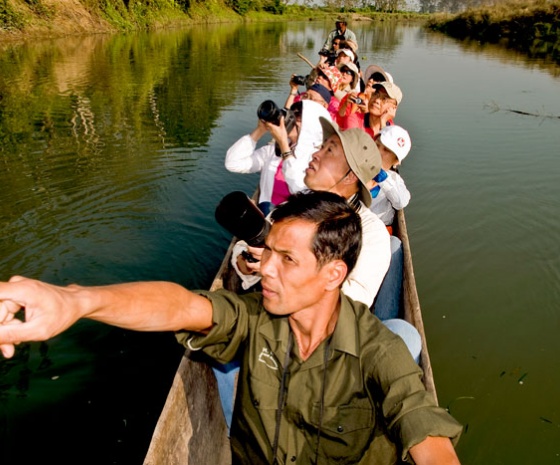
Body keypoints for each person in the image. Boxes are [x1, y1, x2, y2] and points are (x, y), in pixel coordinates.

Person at [0, 191, 463, 464]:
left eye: (287, 260)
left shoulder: (379, 352)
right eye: (268, 253)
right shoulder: (257, 318)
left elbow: (429, 439)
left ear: (333, 275)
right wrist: (75, 300)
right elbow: (182, 306)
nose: (265, 270)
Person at [225, 99, 331, 214]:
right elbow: (233, 163)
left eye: (297, 115)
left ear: (311, 125)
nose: (292, 118)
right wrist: (259, 131)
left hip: (292, 223)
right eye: (291, 113)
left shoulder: (316, 158)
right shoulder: (274, 151)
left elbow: (301, 191)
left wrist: (284, 146)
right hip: (267, 217)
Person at [368, 125, 412, 321]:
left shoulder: (393, 180)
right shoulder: (354, 168)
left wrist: (383, 178)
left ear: (396, 161)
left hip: (378, 235)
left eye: (388, 152)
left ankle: (383, 320)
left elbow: (401, 200)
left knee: (395, 246)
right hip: (352, 230)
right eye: (379, 145)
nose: (380, 152)